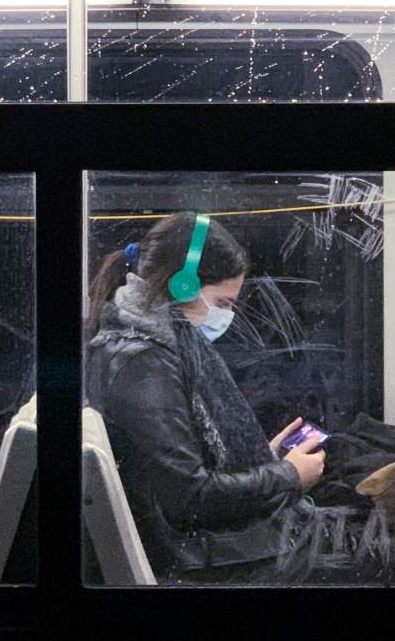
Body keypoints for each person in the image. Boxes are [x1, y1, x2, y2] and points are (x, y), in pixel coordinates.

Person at [84, 211, 328, 583]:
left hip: (185, 548)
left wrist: (263, 458)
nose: (226, 316)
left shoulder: (145, 346)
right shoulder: (145, 365)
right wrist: (288, 476)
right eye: (223, 303)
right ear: (183, 286)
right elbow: (190, 499)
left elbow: (178, 467)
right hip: (189, 559)